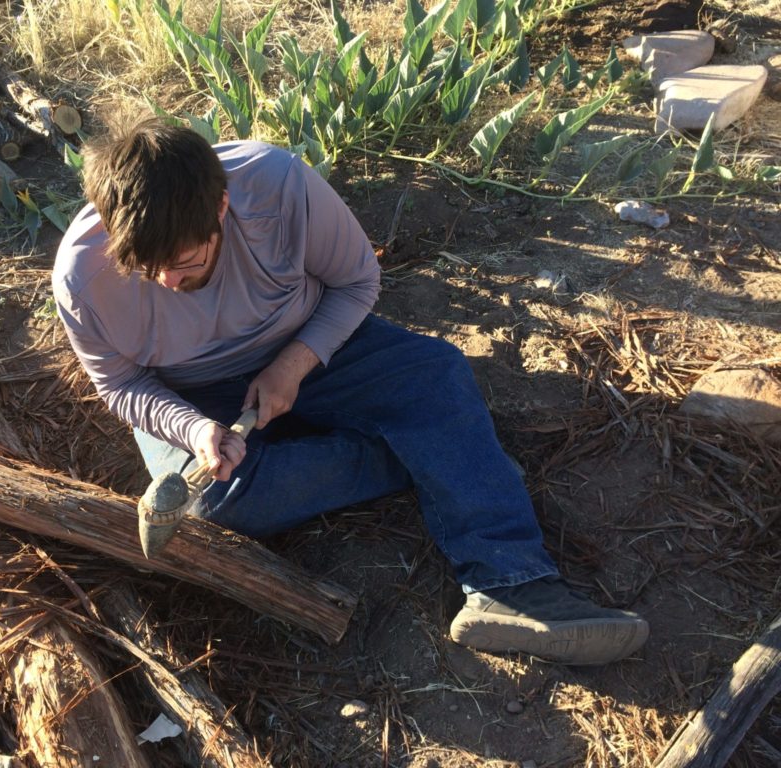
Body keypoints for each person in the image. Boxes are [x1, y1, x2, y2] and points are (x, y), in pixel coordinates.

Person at [53, 120, 649, 665]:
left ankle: (513, 586)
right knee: (213, 506)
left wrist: (294, 363)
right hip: (193, 394)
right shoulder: (83, 273)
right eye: (146, 267)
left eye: (184, 262)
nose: (166, 282)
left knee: (436, 374)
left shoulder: (278, 185)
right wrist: (192, 429)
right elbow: (122, 383)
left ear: (222, 206)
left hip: (312, 343)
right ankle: (431, 455)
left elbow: (359, 281)